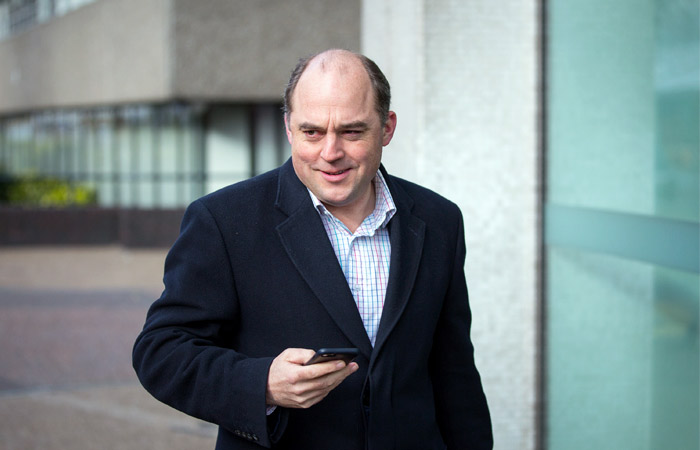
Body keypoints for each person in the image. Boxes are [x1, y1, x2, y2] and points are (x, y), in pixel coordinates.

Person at [133, 49, 492, 449]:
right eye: (312, 132)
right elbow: (160, 352)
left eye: (352, 132)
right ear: (289, 128)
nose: (330, 153)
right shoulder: (222, 220)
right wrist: (262, 384)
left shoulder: (440, 219)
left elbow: (454, 370)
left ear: (387, 128)